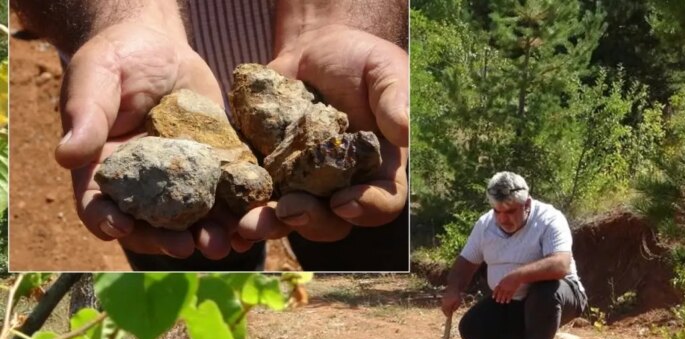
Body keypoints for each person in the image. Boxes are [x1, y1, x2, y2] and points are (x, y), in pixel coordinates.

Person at [11, 0, 409, 271]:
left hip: (353, 101)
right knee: (197, 266)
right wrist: (122, 15)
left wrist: (335, 20)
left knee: (361, 243)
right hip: (136, 106)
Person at [440, 172, 587, 339]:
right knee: (472, 328)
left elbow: (560, 264)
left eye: (510, 211)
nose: (502, 219)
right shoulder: (485, 225)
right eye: (497, 211)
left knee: (545, 290)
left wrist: (518, 276)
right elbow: (466, 262)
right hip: (512, 302)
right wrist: (453, 288)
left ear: (526, 204)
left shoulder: (549, 219)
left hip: (562, 296)